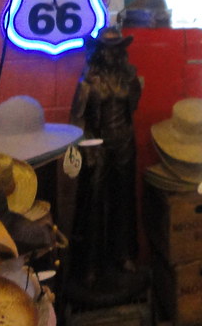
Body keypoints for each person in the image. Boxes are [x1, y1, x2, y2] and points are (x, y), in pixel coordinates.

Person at [67, 27, 145, 305]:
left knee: (124, 201)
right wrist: (87, 148)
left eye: (116, 48)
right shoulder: (88, 79)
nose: (111, 54)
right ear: (99, 51)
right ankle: (91, 264)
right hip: (97, 146)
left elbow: (131, 108)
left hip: (124, 144)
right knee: (94, 205)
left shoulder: (128, 77)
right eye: (107, 49)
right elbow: (77, 121)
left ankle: (123, 255)